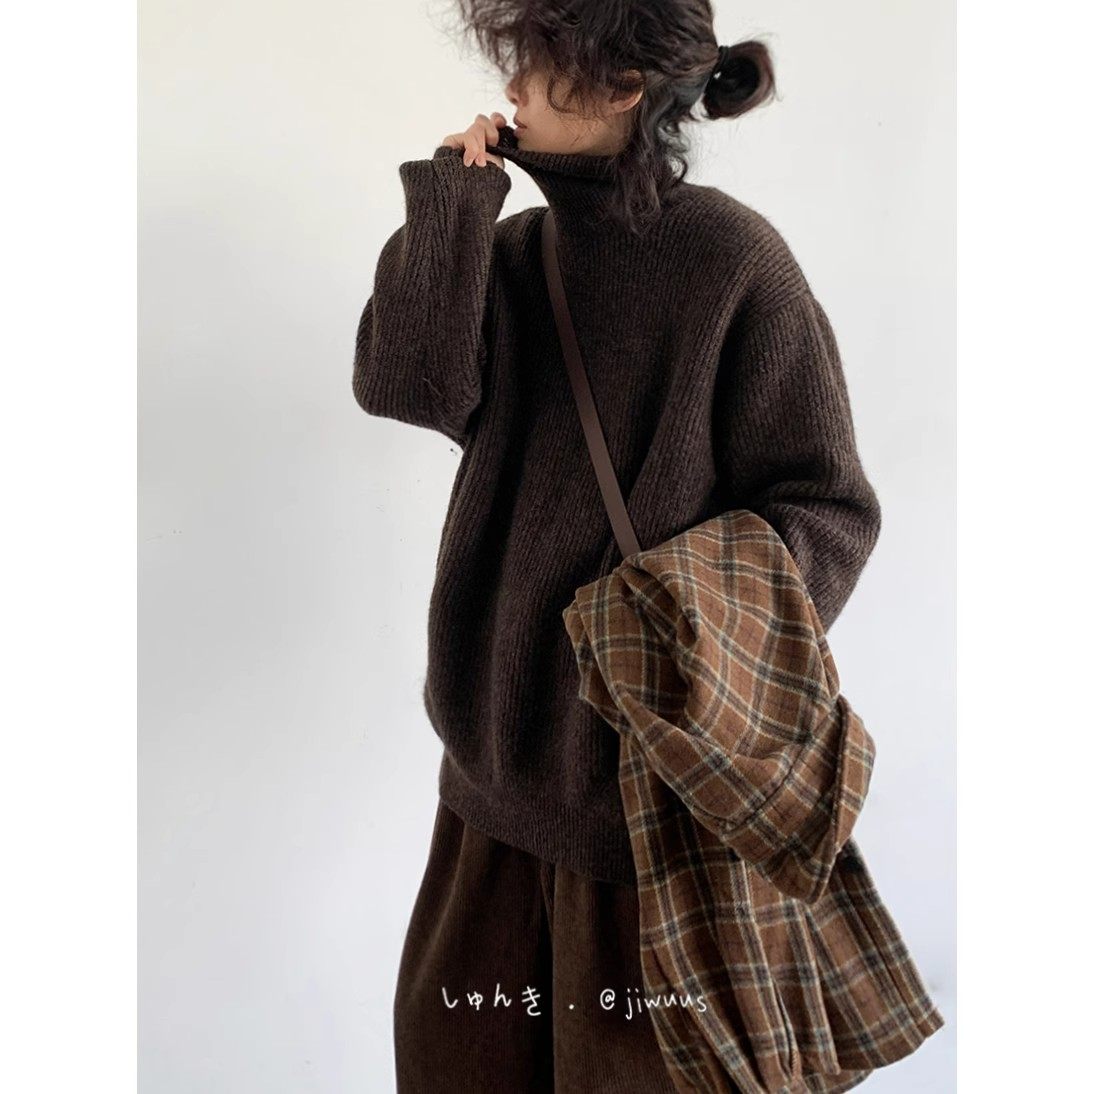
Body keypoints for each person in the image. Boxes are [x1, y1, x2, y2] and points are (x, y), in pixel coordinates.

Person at [352, 2, 882, 1089]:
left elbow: (829, 505)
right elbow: (406, 385)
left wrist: (677, 618)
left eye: (539, 63)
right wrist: (453, 204)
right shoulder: (509, 255)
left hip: (654, 827)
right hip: (489, 811)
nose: (512, 89)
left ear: (622, 86)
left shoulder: (734, 263)